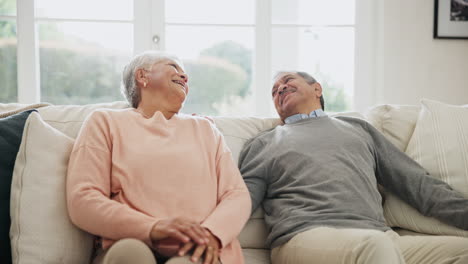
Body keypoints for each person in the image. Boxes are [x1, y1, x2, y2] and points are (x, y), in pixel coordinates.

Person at [238, 71, 468, 264]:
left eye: (287, 81)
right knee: (374, 246)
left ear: (317, 89)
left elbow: (418, 184)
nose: (279, 89)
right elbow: (240, 201)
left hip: (380, 237)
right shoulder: (264, 143)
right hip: (304, 237)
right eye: (274, 91)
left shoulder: (358, 129)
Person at [66, 51, 251, 264]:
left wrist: (212, 234)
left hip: (198, 248)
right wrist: (152, 227)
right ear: (142, 76)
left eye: (185, 73)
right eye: (173, 67)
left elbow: (236, 194)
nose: (184, 76)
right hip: (130, 241)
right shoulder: (105, 121)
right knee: (130, 253)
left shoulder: (205, 129)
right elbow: (83, 198)